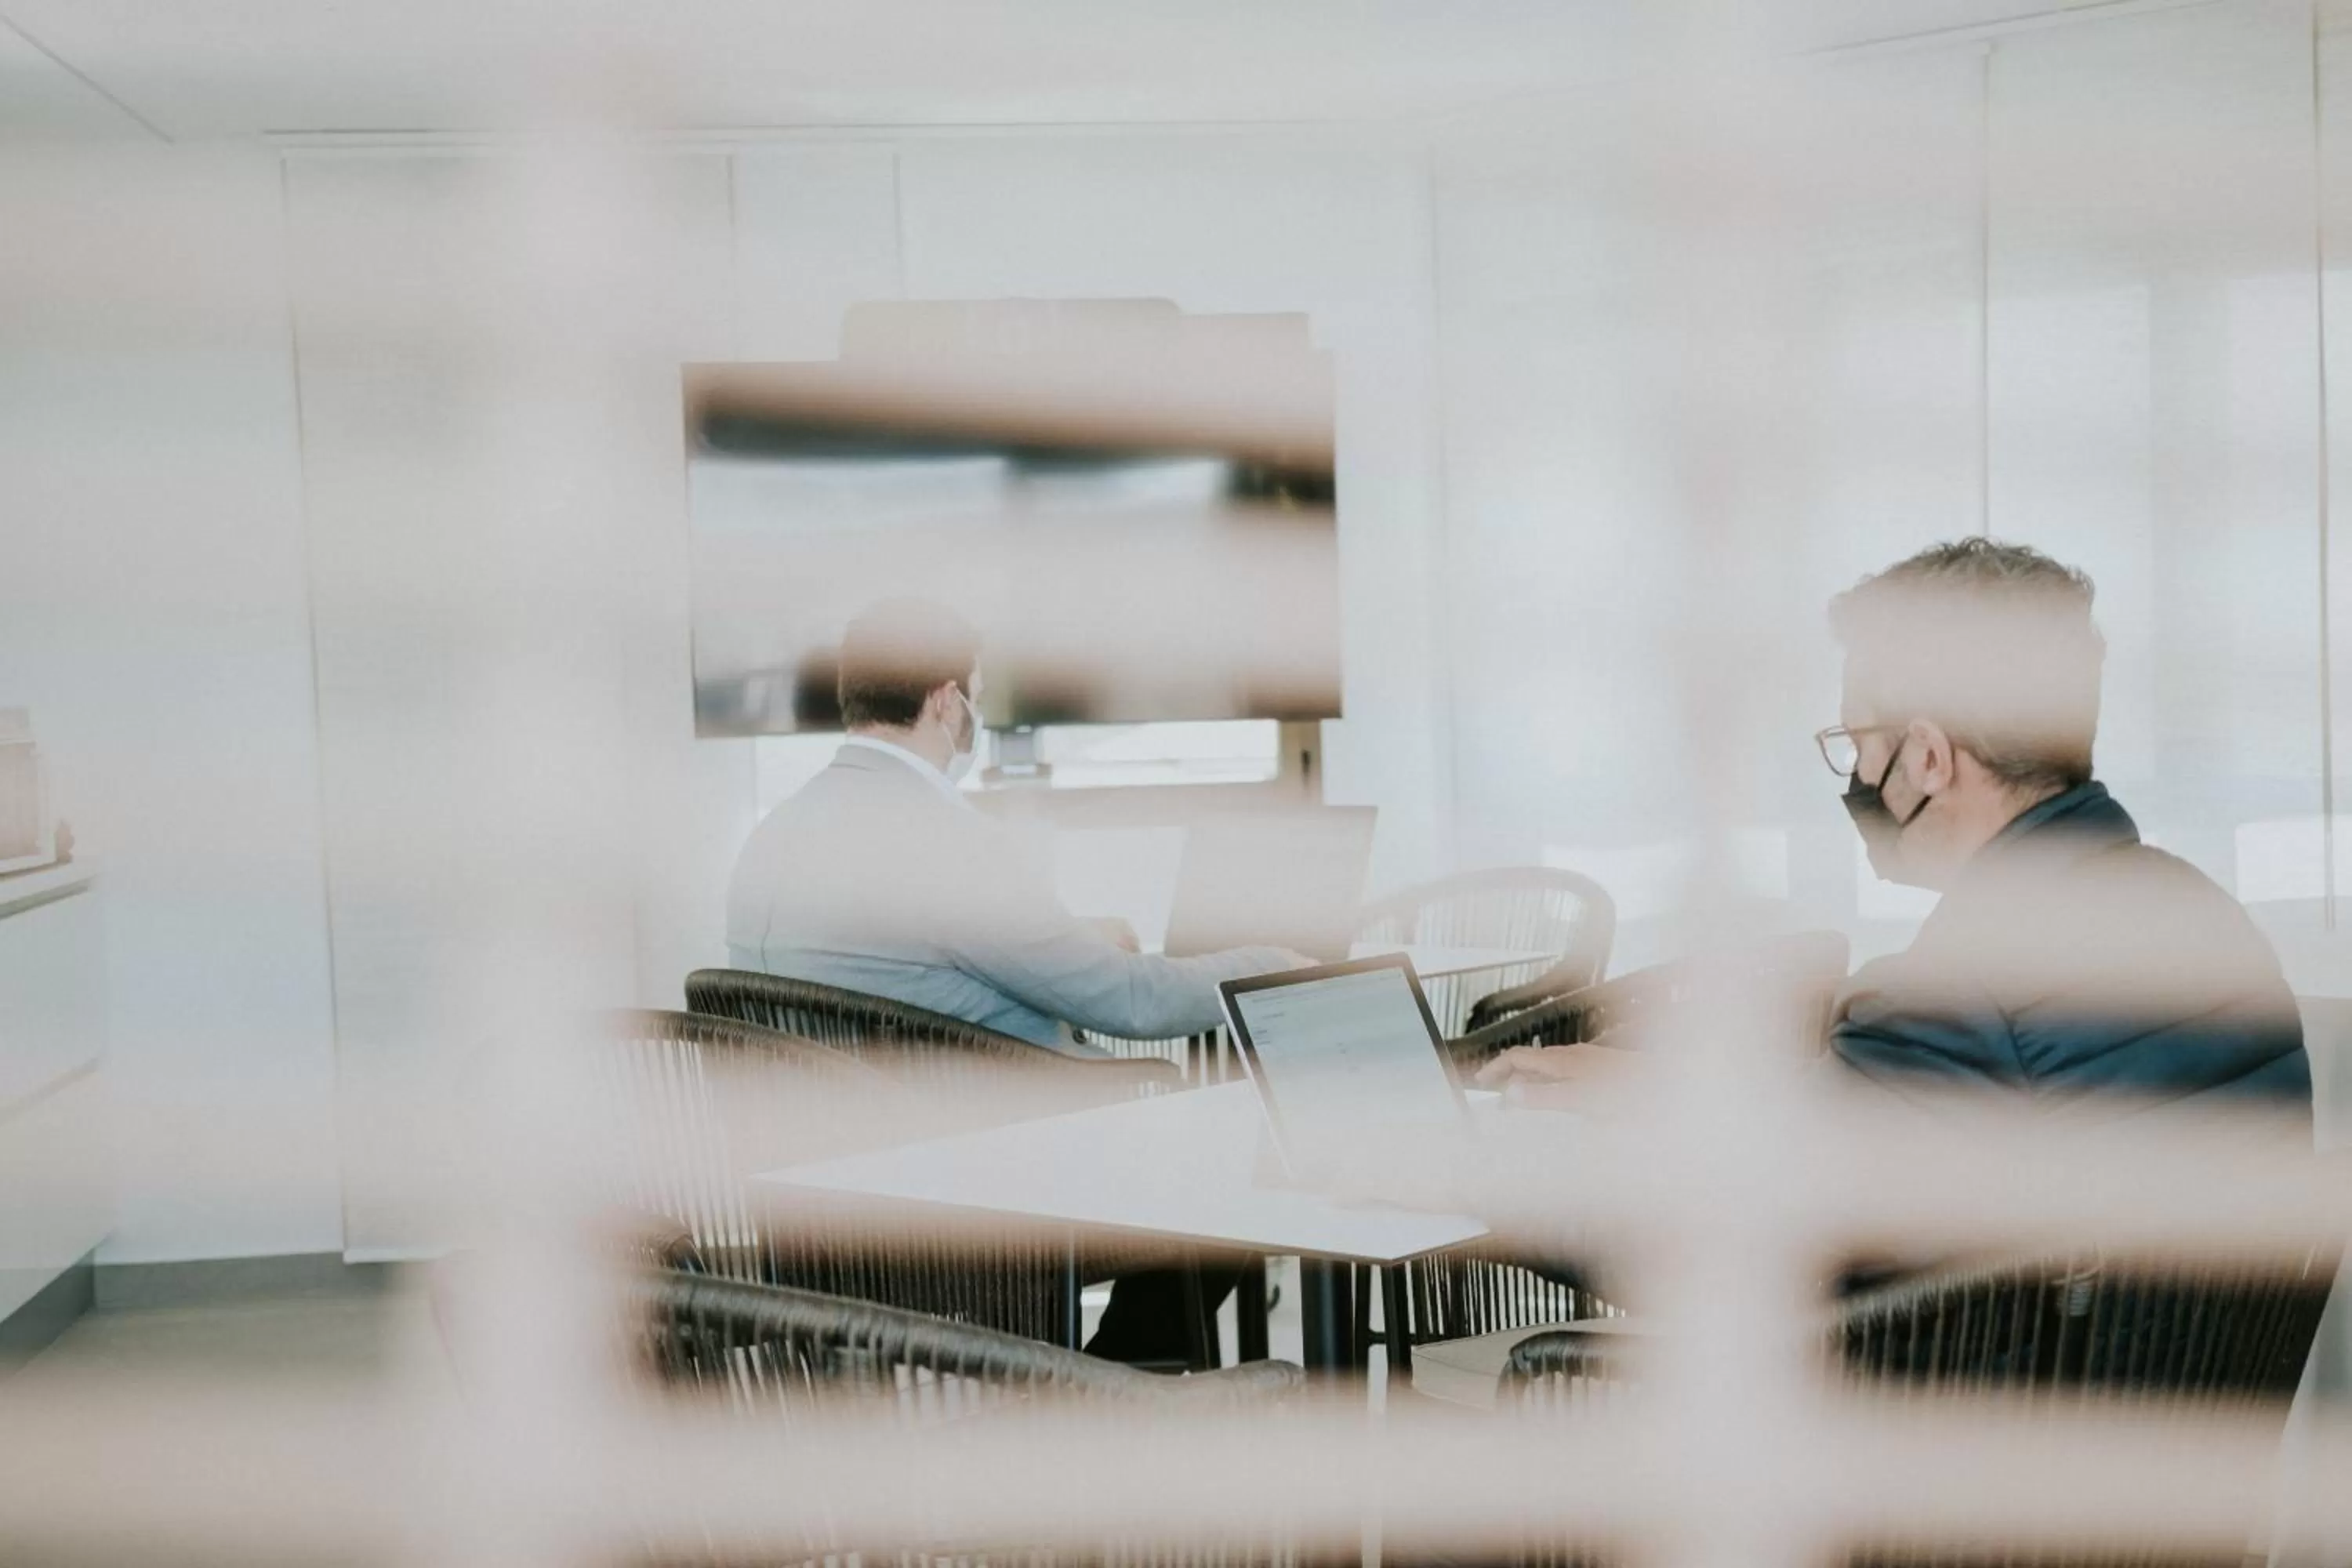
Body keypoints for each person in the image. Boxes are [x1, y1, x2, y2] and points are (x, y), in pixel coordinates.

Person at [1489, 538, 2312, 1123]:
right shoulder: (2205, 914)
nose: (1855, 780)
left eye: (1859, 744)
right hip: (2192, 1368)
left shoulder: (1963, 988)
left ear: (1926, 757)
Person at [726, 598, 1305, 1365]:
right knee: (1242, 1171)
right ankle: (1105, 1392)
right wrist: (1276, 965)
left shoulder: (773, 837)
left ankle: (1087, 1391)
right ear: (943, 699)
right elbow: (1132, 1001)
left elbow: (913, 963)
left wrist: (1071, 935)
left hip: (822, 1209)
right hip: (976, 1196)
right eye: (976, 692)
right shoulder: (949, 842)